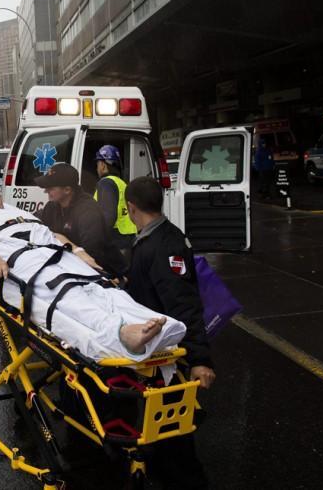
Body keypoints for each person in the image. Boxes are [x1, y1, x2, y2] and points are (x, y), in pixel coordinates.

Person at [0, 182, 187, 361]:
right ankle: (119, 334)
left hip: (54, 251)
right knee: (67, 292)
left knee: (99, 285)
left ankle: (152, 323)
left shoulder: (19, 213)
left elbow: (55, 234)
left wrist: (79, 253)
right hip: (20, 255)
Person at [124, 176, 213, 490]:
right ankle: (162, 470)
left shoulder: (164, 245)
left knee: (175, 433)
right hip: (156, 348)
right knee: (161, 424)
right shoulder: (153, 239)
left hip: (168, 350)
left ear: (131, 208)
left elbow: (184, 304)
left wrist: (200, 359)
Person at [33, 163, 128, 278]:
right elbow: (35, 223)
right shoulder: (53, 206)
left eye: (51, 188)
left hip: (107, 273)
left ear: (67, 190)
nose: (46, 191)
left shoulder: (88, 211)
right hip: (75, 267)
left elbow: (89, 255)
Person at [93, 145, 137, 254]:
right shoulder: (120, 183)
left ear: (103, 165)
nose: (96, 168)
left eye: (97, 164)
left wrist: (97, 239)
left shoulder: (106, 182)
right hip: (127, 238)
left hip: (115, 240)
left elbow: (108, 215)